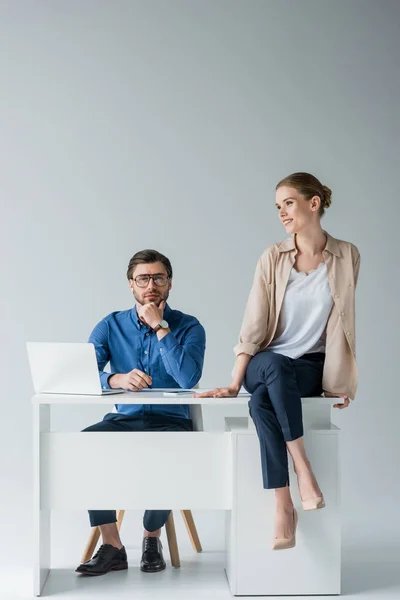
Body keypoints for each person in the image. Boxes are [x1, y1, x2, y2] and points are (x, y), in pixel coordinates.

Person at [195, 172, 360, 550]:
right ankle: (303, 470)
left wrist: (341, 381)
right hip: (264, 363)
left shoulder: (347, 256)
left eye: (288, 203)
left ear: (313, 203)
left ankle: (283, 503)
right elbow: (254, 322)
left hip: (308, 367)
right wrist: (235, 381)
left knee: (261, 402)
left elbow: (343, 323)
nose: (282, 213)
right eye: (278, 207)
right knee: (271, 368)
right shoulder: (273, 256)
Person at [75, 249, 206, 575]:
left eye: (158, 278)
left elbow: (188, 378)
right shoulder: (111, 325)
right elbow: (79, 372)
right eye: (143, 279)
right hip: (126, 419)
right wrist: (115, 378)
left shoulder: (189, 327)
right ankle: (113, 545)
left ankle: (151, 537)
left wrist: (160, 327)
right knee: (83, 444)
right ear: (131, 284)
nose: (151, 285)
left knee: (169, 454)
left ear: (169, 283)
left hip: (171, 421)